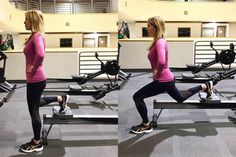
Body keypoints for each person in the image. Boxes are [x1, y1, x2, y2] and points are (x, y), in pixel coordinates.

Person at [131, 16, 214, 134]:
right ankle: (205, 86)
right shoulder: (159, 41)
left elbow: (161, 62)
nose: (147, 28)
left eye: (149, 26)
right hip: (168, 78)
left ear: (155, 27)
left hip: (163, 80)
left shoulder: (159, 42)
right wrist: (154, 71)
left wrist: (157, 75)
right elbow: (155, 61)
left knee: (137, 97)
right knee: (180, 98)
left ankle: (146, 125)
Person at [19, 10, 69, 153]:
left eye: (26, 19)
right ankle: (60, 98)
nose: (24, 22)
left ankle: (37, 142)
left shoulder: (37, 36)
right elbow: (37, 54)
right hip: (35, 79)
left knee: (33, 109)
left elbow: (41, 54)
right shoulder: (34, 36)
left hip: (36, 79)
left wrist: (33, 69)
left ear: (32, 21)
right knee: (35, 104)